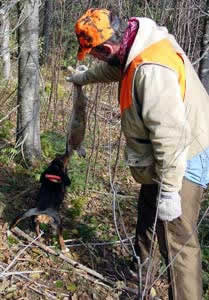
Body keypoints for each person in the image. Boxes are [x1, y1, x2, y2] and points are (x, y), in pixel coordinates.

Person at [68, 8, 209, 300]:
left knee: (177, 239)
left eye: (94, 54)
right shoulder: (134, 45)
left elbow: (172, 137)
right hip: (164, 156)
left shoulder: (152, 69)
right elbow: (115, 68)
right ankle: (139, 285)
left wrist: (170, 191)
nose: (95, 59)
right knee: (147, 217)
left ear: (107, 47)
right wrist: (84, 78)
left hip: (185, 155)